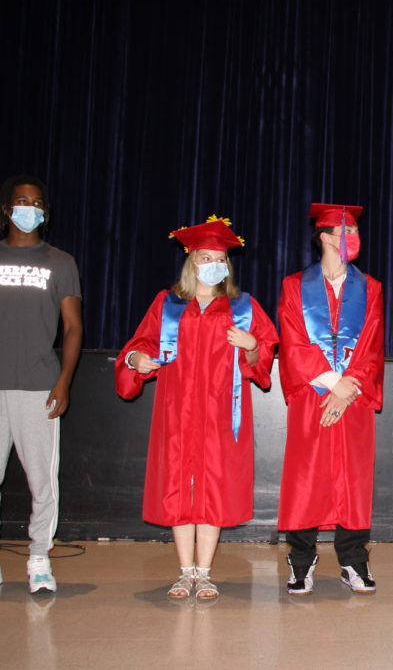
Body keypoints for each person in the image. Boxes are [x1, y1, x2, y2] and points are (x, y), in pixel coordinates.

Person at [116, 216, 277, 599]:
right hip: (177, 412)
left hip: (223, 414)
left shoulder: (243, 305)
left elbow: (263, 357)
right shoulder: (168, 303)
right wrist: (136, 361)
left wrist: (251, 343)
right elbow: (140, 345)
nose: (212, 264)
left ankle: (204, 574)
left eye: (219, 258)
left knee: (211, 492)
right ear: (191, 261)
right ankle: (183, 572)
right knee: (179, 490)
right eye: (205, 257)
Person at [0, 174, 83, 595]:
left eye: (37, 202)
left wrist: (63, 381)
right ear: (7, 209)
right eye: (22, 201)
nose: (30, 208)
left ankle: (39, 557)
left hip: (38, 387)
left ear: (45, 211)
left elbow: (73, 327)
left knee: (42, 480)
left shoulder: (60, 262)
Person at [277, 202, 385, 595]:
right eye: (346, 233)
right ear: (325, 238)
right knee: (306, 479)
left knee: (353, 480)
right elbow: (292, 340)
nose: (353, 239)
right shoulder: (294, 286)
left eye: (356, 233)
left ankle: (353, 560)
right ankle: (301, 561)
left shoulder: (370, 287)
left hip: (352, 399)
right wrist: (330, 383)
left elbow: (372, 345)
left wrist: (349, 387)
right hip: (312, 396)